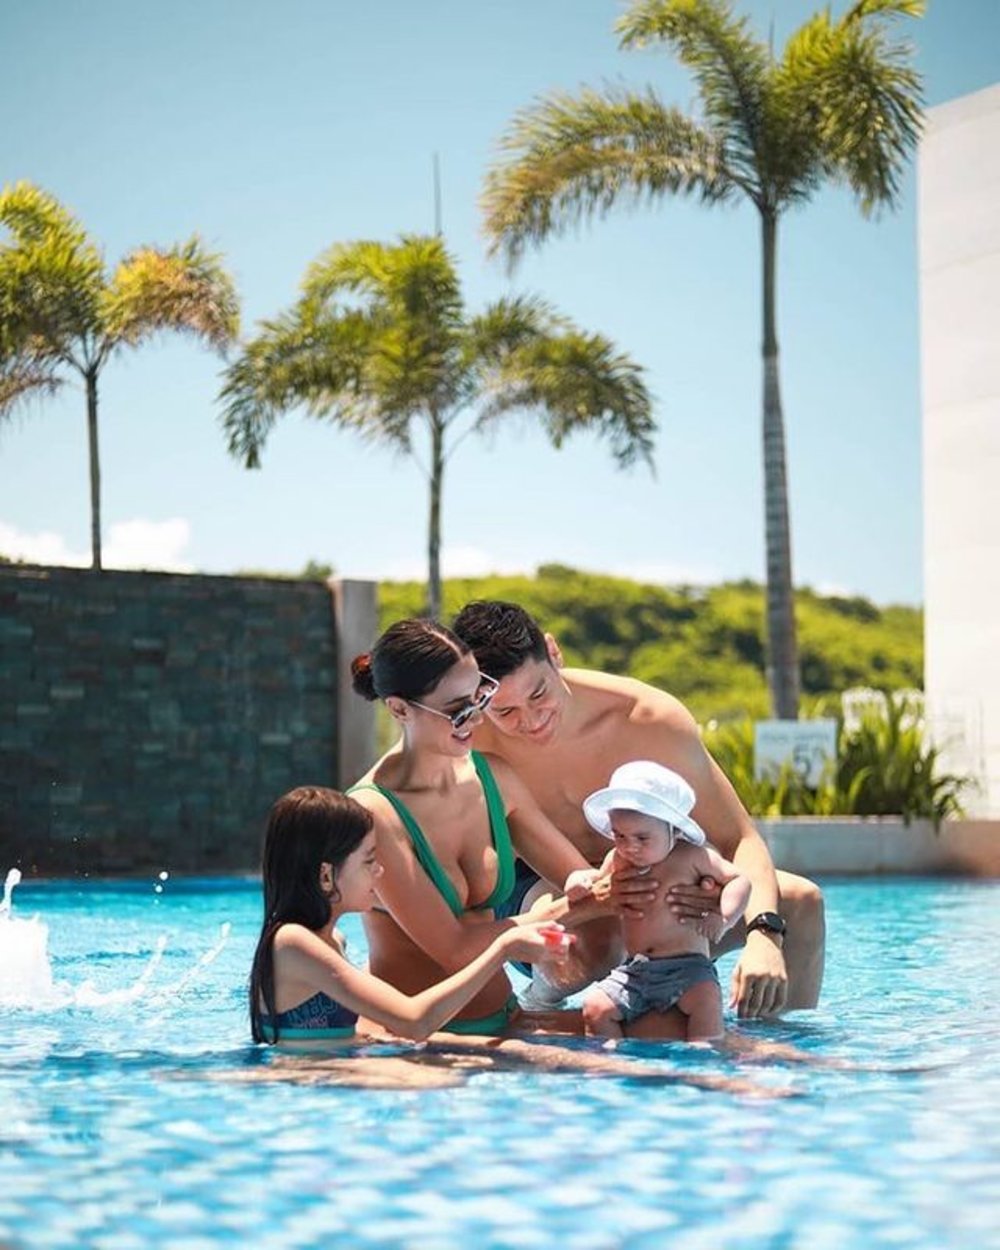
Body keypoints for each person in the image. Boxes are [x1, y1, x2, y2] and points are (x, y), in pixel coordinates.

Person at [451, 600, 826, 1025]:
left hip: (656, 879)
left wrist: (764, 934)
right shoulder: (465, 736)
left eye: (539, 694)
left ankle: (775, 1046)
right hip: (545, 894)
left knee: (800, 903)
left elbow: (739, 839)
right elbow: (384, 796)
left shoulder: (648, 719)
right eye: (505, 711)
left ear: (554, 653)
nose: (532, 720)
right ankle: (537, 1009)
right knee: (605, 934)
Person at [347, 618, 628, 1037]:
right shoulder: (374, 814)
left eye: (479, 698)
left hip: (504, 1021)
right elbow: (455, 947)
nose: (475, 720)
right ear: (399, 709)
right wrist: (581, 904)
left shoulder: (492, 777)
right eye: (456, 710)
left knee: (676, 1035)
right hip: (416, 1039)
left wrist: (630, 876)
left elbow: (577, 878)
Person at [248, 784, 575, 1046]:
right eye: (368, 861)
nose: (379, 871)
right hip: (307, 1083)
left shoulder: (331, 939)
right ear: (325, 876)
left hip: (342, 1063)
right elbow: (414, 1021)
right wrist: (502, 950)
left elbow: (368, 1028)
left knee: (524, 1056)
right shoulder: (292, 943)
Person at [567, 761, 750, 1042]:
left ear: (674, 830)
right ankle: (609, 1059)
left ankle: (706, 1053)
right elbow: (595, 882)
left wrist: (723, 918)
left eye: (642, 837)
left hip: (688, 968)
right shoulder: (617, 859)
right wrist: (578, 881)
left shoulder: (693, 857)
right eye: (620, 836)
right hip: (636, 970)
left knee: (706, 1001)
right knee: (594, 1007)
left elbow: (740, 880)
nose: (630, 847)